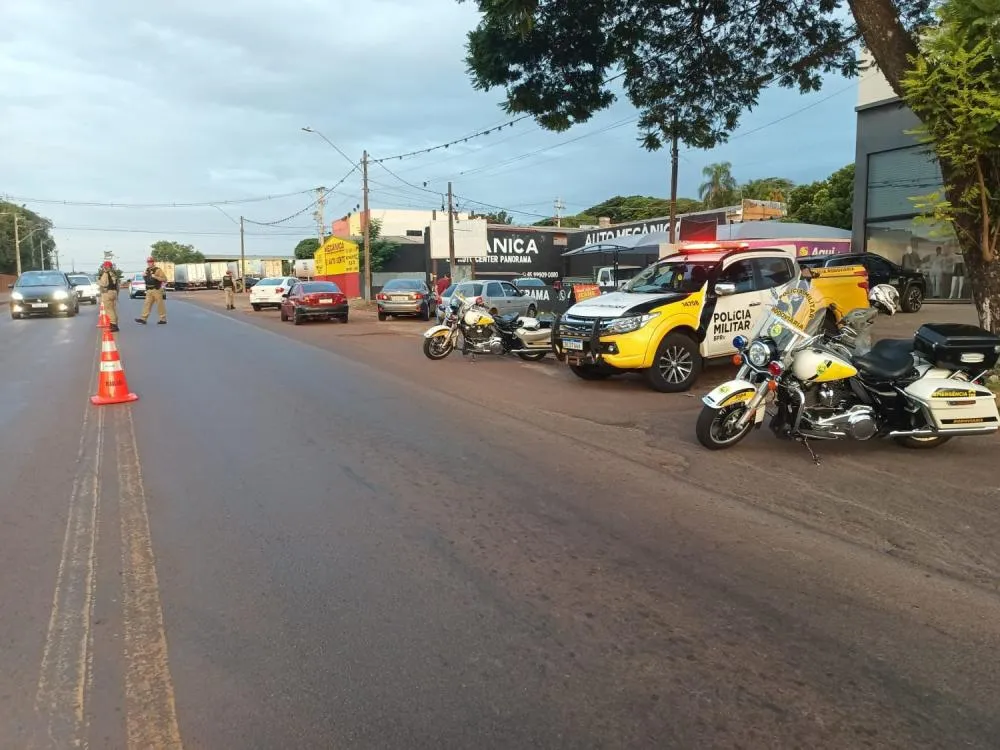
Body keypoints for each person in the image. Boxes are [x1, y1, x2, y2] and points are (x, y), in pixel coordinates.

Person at [135, 256, 167, 325]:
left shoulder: (158, 270)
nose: (149, 263)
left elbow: (164, 279)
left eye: (151, 261)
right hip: (149, 290)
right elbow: (147, 280)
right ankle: (143, 319)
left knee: (160, 304)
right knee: (147, 304)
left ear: (153, 262)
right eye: (148, 262)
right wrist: (144, 276)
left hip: (156, 289)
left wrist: (156, 277)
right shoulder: (147, 270)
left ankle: (163, 319)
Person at [97, 260, 120, 332]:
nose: (103, 268)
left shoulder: (105, 274)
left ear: (106, 267)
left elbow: (104, 284)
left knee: (109, 310)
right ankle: (115, 324)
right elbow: (117, 286)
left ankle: (113, 325)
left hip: (107, 293)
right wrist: (117, 294)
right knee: (113, 309)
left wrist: (98, 281)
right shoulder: (113, 274)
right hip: (114, 292)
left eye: (104, 266)